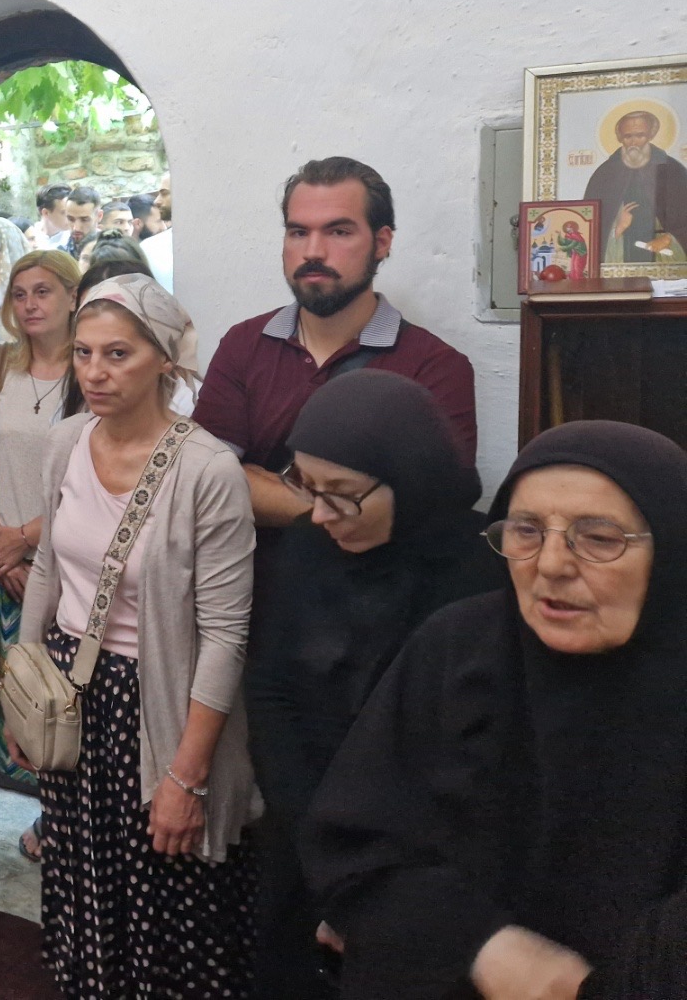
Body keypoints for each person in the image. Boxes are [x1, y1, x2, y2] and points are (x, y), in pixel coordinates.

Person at [302, 421, 687, 999]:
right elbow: (356, 848)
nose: (551, 564)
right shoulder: (458, 648)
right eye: (526, 530)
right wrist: (479, 945)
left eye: (599, 538)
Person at [13, 274, 260, 996]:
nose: (95, 372)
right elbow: (48, 569)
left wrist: (186, 776)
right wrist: (20, 690)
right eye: (83, 352)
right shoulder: (66, 441)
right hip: (70, 692)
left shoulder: (207, 470)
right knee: (81, 872)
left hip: (155, 705)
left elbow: (224, 637)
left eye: (117, 354)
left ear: (164, 361)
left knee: (164, 888)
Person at [244, 371, 501, 998]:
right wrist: (316, 836)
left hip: (417, 866)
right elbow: (272, 685)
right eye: (308, 487)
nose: (320, 513)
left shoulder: (482, 572)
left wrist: (367, 873)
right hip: (303, 836)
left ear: (408, 479)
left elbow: (469, 753)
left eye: (342, 495)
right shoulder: (311, 543)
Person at [194, 156, 477, 540]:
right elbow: (200, 480)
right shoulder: (244, 345)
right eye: (298, 232)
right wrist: (352, 501)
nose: (313, 251)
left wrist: (256, 484)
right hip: (249, 577)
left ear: (381, 243)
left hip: (373, 578)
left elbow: (431, 511)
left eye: (338, 232)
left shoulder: (435, 367)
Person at [0, 248, 80, 858]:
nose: (30, 304)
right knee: (13, 691)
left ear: (72, 296)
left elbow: (93, 473)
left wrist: (28, 540)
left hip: (67, 562)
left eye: (43, 291)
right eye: (19, 293)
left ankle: (65, 819)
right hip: (0, 557)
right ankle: (45, 809)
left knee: (66, 696)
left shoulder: (90, 367)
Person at [584, 108, 687, 265]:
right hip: (619, 254)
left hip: (662, 254)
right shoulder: (604, 173)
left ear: (650, 135)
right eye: (628, 136)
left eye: (640, 135)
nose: (633, 142)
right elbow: (591, 225)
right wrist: (617, 228)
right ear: (620, 137)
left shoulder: (672, 169)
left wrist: (669, 238)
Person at [63, 186, 101, 258]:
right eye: (71, 219)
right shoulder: (59, 250)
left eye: (84, 220)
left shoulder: (113, 251)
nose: (76, 228)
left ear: (99, 216)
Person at [35, 183, 74, 250]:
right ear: (46, 213)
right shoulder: (31, 237)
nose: (71, 218)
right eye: (64, 213)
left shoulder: (75, 238)